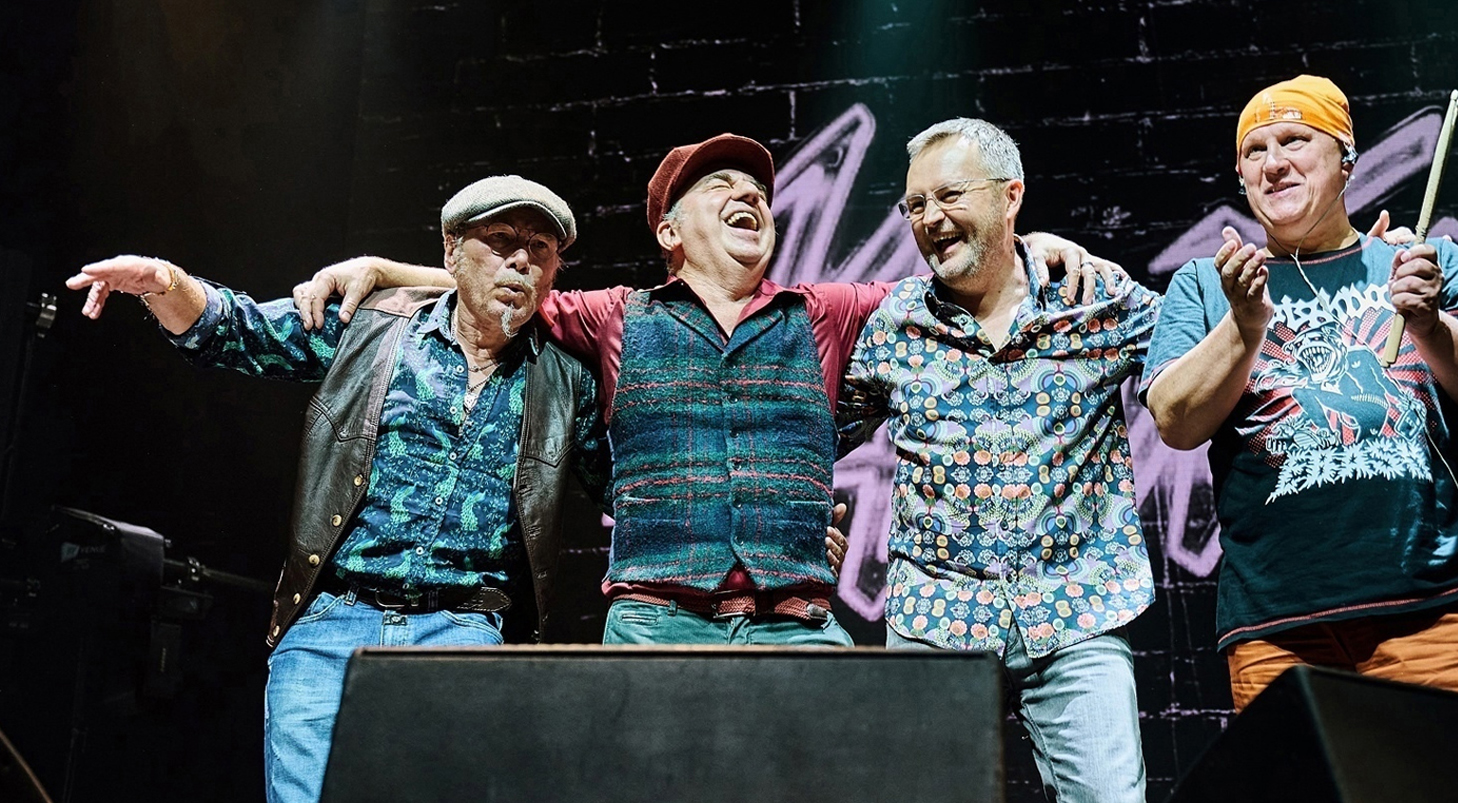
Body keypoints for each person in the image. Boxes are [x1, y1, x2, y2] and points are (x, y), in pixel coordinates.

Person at [294, 134, 1117, 648]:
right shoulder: (617, 315)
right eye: (719, 188)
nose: (748, 196)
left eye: (756, 191)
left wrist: (1023, 243)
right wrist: (385, 269)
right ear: (669, 231)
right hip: (655, 622)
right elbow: (506, 284)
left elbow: (949, 280)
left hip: (796, 627)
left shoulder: (824, 312)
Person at [68, 175, 605, 803]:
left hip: (462, 636)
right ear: (452, 251)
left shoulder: (567, 382)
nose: (520, 260)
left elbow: (633, 485)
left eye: (539, 249)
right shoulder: (373, 329)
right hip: (331, 628)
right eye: (501, 240)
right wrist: (163, 282)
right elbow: (237, 331)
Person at [1140, 75, 1458, 712]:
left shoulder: (1423, 263)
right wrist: (1244, 326)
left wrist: (1432, 325)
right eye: (1255, 151)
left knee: (1450, 780)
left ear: (1346, 161)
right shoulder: (1208, 285)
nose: (1274, 163)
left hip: (1436, 612)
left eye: (1295, 141)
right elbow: (1176, 421)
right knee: (1298, 784)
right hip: (1277, 628)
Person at [841, 117, 1157, 803]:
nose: (929, 218)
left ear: (1011, 196)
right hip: (936, 616)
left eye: (949, 195)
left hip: (1077, 610)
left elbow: (1198, 340)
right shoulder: (896, 323)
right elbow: (814, 431)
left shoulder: (1093, 297)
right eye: (915, 205)